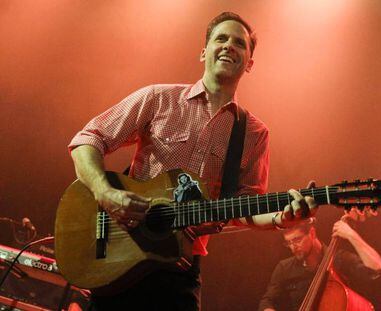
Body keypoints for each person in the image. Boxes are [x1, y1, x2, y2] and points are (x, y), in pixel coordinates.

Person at [68, 12, 317, 310]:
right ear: (204, 51)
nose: (228, 46)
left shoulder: (254, 133)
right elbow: (88, 139)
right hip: (120, 254)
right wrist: (105, 193)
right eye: (220, 39)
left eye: (239, 43)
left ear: (249, 63)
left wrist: (280, 218)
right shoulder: (158, 98)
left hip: (179, 271)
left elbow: (248, 204)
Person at [258, 216, 381, 311]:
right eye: (288, 243)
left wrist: (351, 235)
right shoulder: (284, 268)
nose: (293, 247)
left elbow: (376, 269)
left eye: (297, 239)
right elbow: (267, 301)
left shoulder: (339, 259)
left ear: (312, 233)